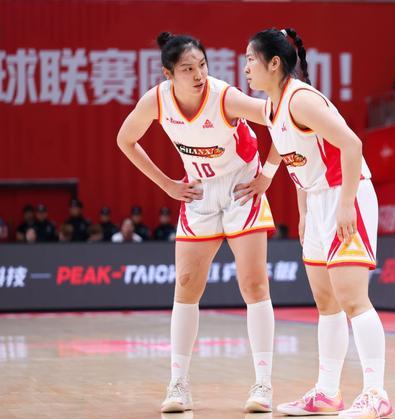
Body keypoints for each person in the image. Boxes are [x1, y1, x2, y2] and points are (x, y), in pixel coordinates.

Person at [236, 28, 393, 418]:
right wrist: (304, 211)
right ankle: (327, 392)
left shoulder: (301, 100)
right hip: (319, 200)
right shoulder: (272, 107)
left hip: (346, 194)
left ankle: (376, 393)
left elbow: (351, 144)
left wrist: (346, 204)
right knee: (326, 302)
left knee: (353, 299)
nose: (246, 68)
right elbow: (295, 158)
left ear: (274, 63)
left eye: (251, 59)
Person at [116, 32, 276, 414]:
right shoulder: (156, 100)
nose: (199, 74)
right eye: (188, 69)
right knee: (186, 285)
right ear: (168, 74)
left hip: (241, 186)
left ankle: (263, 384)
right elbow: (125, 139)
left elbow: (282, 117)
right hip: (200, 191)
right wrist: (167, 185)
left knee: (253, 283)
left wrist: (268, 175)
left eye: (202, 65)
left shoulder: (225, 97)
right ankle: (178, 385)